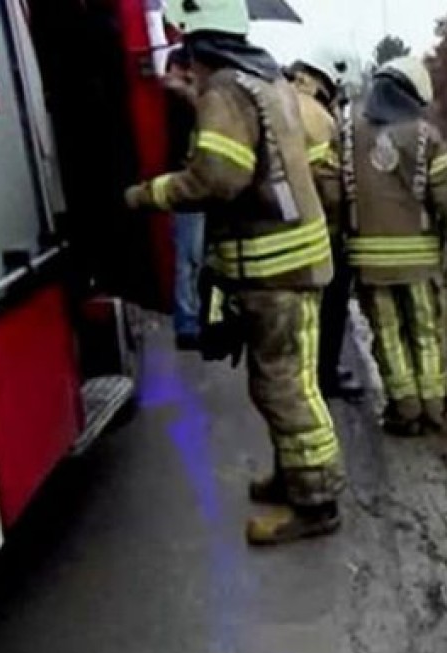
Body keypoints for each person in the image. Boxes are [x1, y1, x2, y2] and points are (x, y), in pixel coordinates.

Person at [124, 0, 347, 546]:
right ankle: (293, 477)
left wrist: (147, 194)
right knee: (277, 382)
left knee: (285, 387)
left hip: (275, 269)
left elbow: (218, 179)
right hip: (293, 262)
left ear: (198, 43)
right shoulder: (266, 79)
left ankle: (316, 503)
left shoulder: (225, 90)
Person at [342, 56, 447, 436]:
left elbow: (332, 189)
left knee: (388, 335)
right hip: (419, 262)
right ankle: (434, 409)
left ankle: (405, 410)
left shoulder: (347, 131)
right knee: (425, 333)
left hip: (368, 262)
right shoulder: (427, 136)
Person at [287, 49, 365, 401]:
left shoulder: (282, 99)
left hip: (283, 223)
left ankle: (302, 373)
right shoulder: (317, 118)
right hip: (317, 227)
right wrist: (347, 222)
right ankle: (325, 376)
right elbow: (330, 186)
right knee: (330, 307)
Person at [163, 47, 205, 351]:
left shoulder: (166, 98)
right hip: (187, 185)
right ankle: (189, 323)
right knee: (190, 258)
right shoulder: (177, 97)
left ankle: (190, 320)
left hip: (181, 184)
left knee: (188, 258)